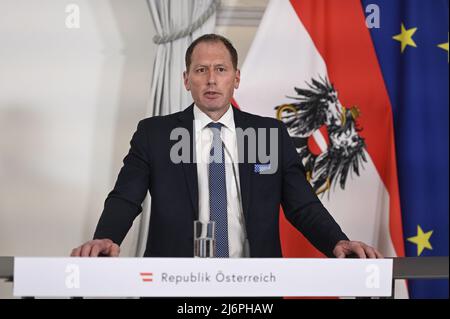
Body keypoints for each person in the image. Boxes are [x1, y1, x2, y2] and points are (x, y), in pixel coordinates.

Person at [71, 34, 382, 259]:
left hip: (255, 286)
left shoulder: (270, 134)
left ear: (236, 78)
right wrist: (105, 239)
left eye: (220, 69)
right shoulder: (155, 134)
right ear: (186, 79)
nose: (210, 79)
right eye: (200, 70)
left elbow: (302, 206)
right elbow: (126, 197)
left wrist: (337, 242)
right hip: (175, 285)